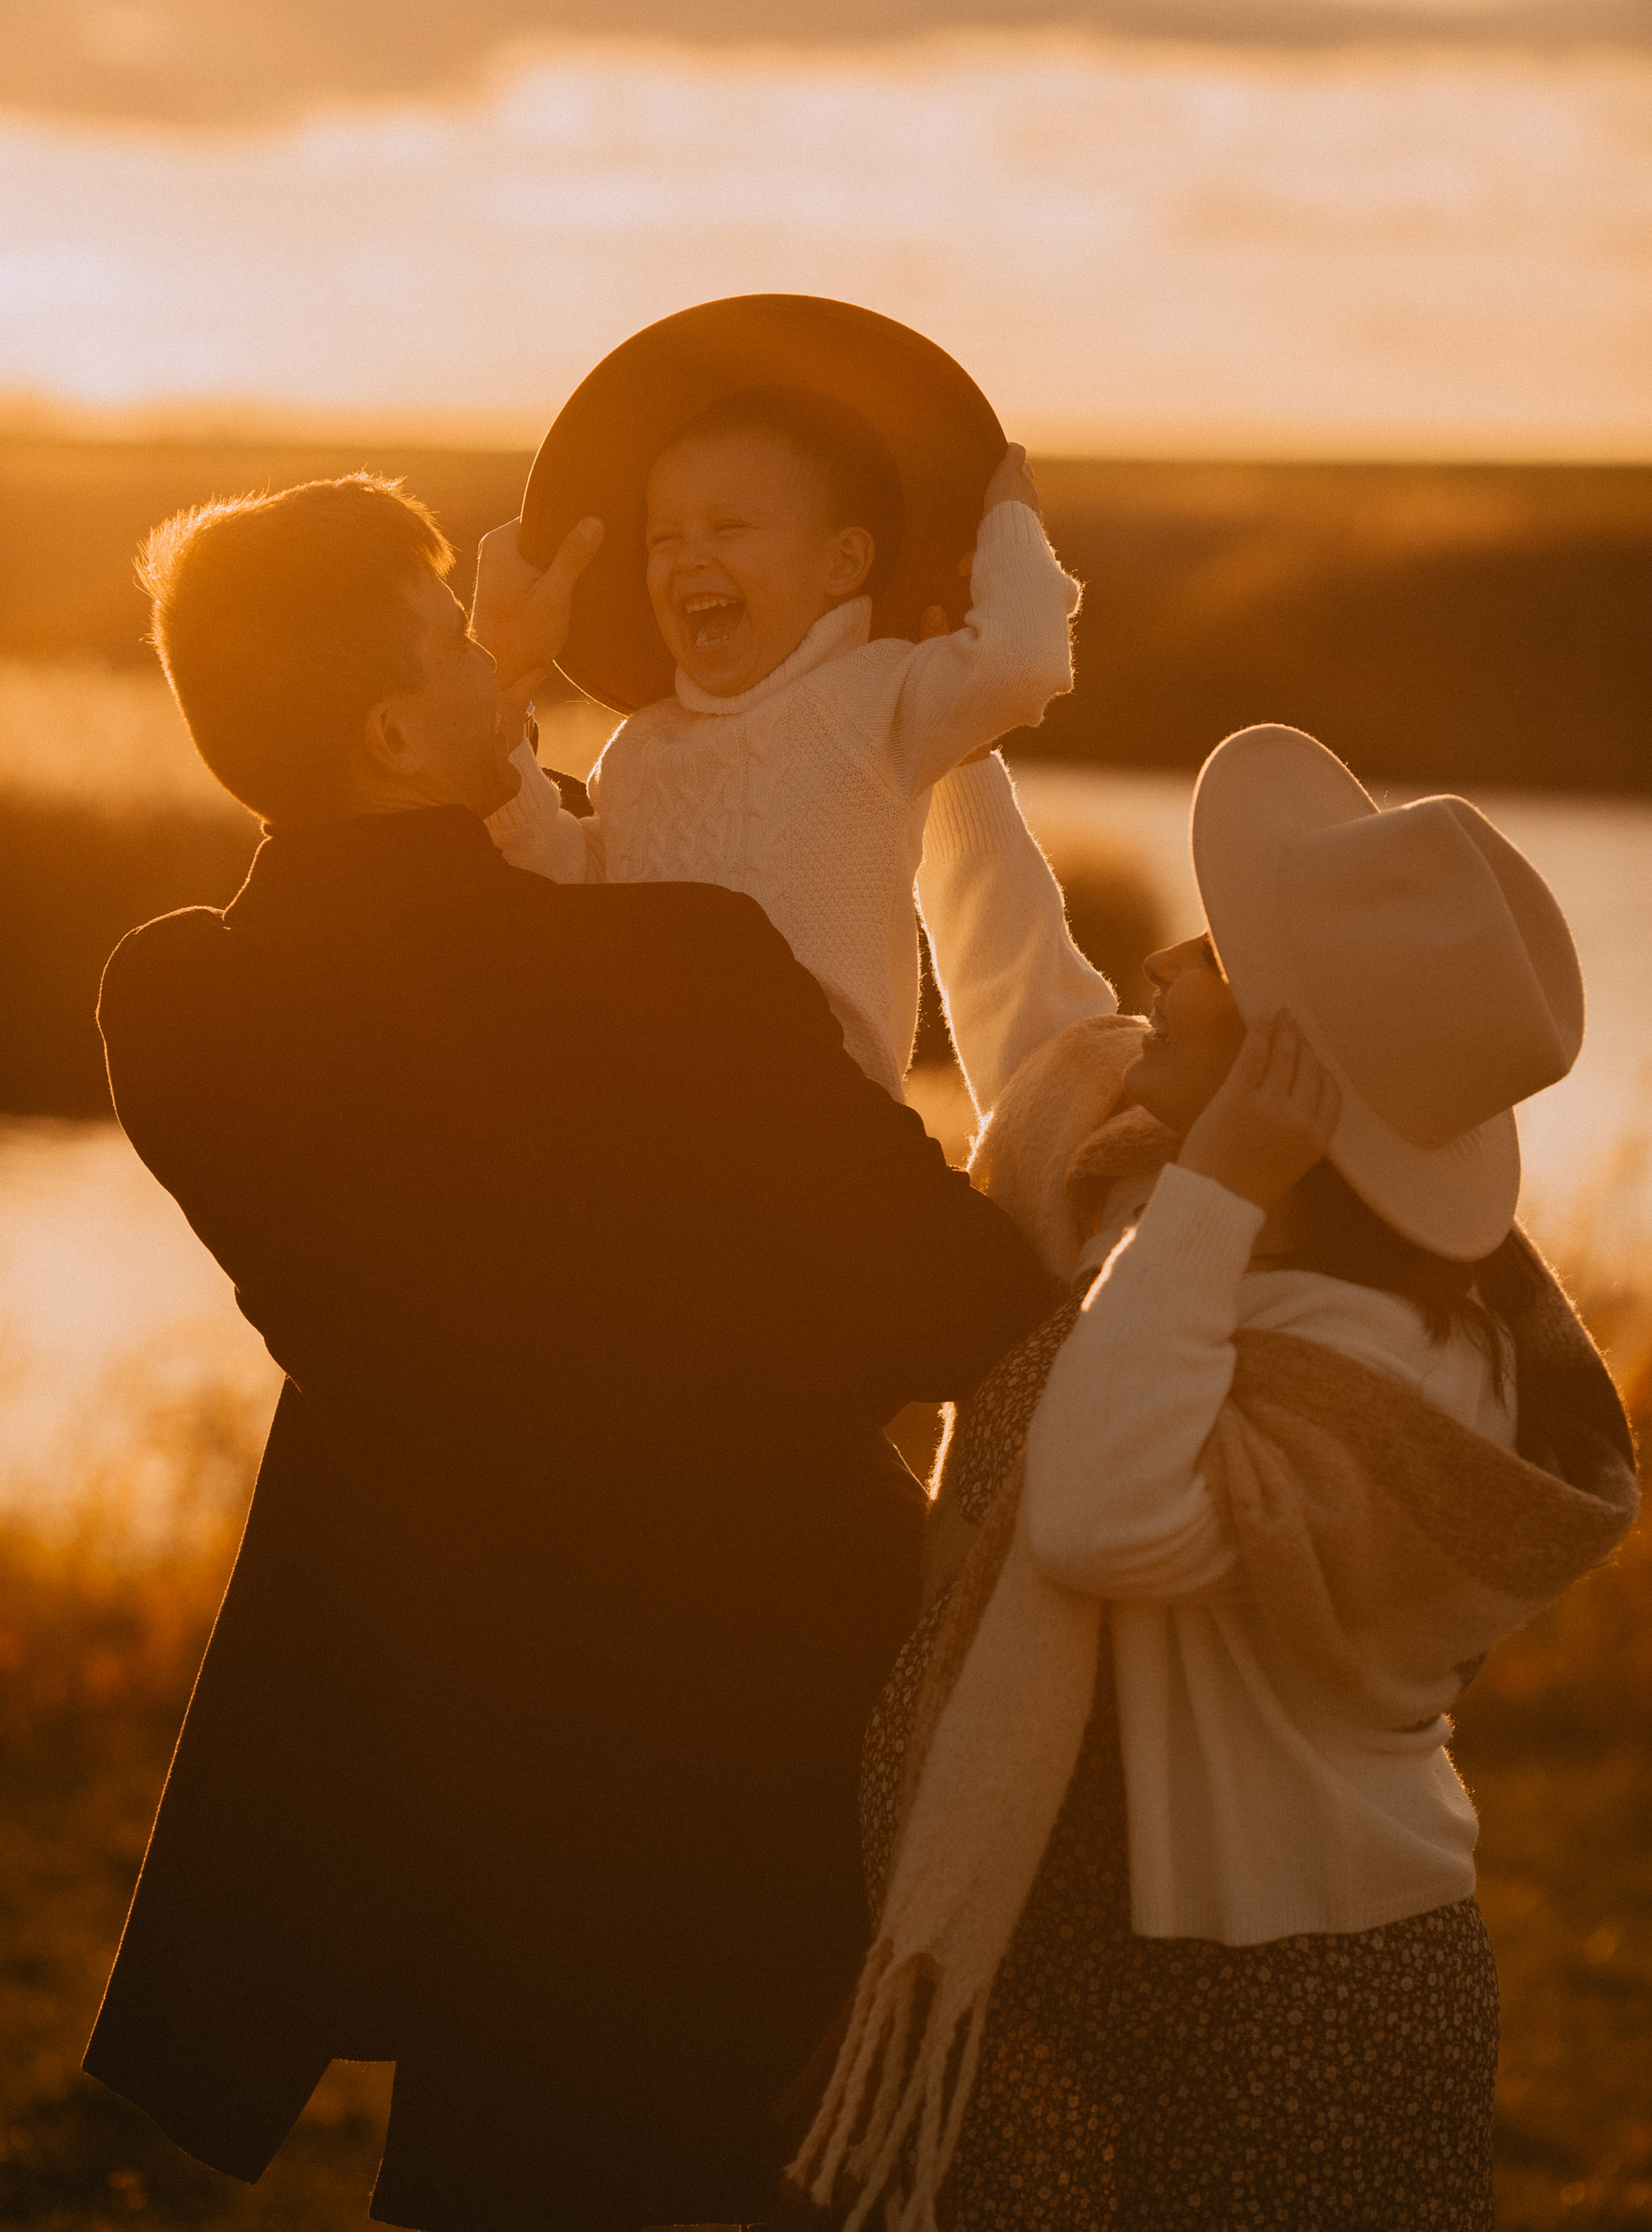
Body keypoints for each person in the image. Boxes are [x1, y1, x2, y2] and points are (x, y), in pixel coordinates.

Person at [81, 470, 1054, 2232]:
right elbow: (961, 1301)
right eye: (459, 644)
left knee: (503, 2175)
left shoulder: (181, 1007)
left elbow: (351, 911)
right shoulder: (684, 965)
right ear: (391, 727)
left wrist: (427, 720)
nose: (499, 662)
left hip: (471, 1763)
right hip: (776, 1730)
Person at [791, 724, 1640, 2232]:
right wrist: (935, 743)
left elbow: (1101, 1512)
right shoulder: (1180, 1216)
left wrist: (1214, 1189)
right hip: (1130, 1951)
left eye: (1224, 955)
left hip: (1299, 1981)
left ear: (1295, 1074)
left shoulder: (1381, 1354)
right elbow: (1025, 1010)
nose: (1170, 953)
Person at [478, 307, 1081, 1102]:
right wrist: (506, 681)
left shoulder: (877, 697)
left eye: (729, 527)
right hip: (658, 1107)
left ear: (842, 562)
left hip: (820, 1113)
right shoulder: (640, 747)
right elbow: (563, 878)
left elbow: (1022, 662)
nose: (690, 556)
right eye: (664, 538)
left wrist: (1009, 519)